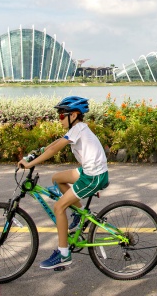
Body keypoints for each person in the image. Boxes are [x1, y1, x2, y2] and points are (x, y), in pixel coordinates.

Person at [17, 95, 109, 269]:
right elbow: (56, 143)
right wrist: (39, 151)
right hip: (90, 171)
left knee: (59, 207)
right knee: (57, 178)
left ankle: (64, 254)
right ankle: (80, 213)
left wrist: (30, 163)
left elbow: (54, 149)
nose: (59, 119)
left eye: (61, 115)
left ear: (73, 115)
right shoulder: (78, 128)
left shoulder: (78, 129)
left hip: (93, 176)